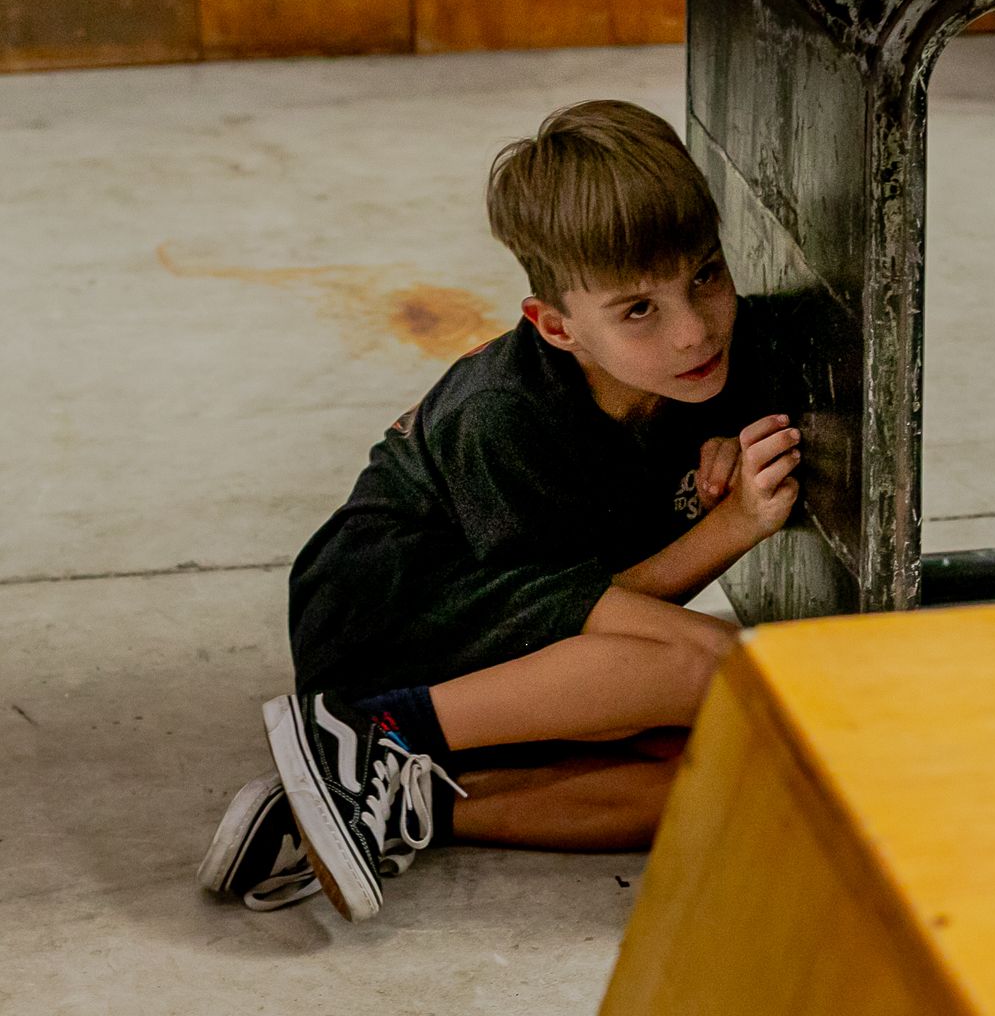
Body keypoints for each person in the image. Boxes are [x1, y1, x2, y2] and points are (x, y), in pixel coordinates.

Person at [196, 100, 800, 922]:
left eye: (706, 275)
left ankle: (401, 802)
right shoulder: (503, 416)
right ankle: (363, 729)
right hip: (391, 611)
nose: (695, 331)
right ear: (555, 326)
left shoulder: (708, 365)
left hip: (517, 635)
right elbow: (580, 618)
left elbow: (589, 625)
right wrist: (728, 530)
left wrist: (725, 443)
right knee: (727, 674)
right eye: (638, 310)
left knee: (735, 771)